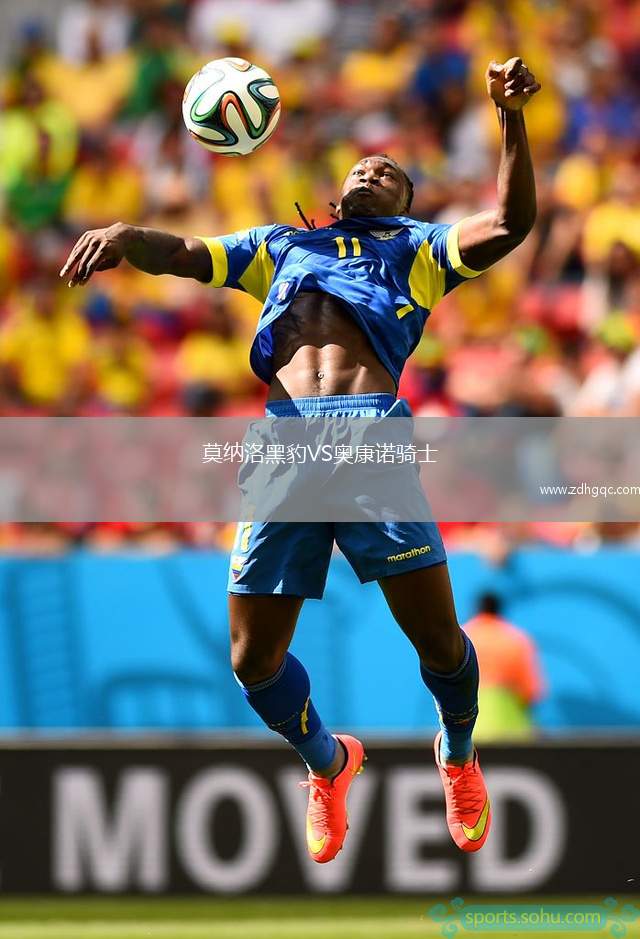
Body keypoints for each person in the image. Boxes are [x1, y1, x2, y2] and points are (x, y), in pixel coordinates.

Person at [60, 57, 541, 861]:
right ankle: (327, 760)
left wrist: (509, 117)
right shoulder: (278, 246)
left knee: (438, 641)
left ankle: (457, 752)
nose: (372, 170)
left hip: (370, 441)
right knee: (253, 660)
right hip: (285, 446)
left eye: (390, 172)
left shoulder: (419, 250)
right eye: (363, 166)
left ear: (405, 202)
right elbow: (185, 251)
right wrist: (126, 235)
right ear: (338, 191)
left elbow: (512, 223)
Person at [463, 592, 545, 742]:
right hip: (512, 731)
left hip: (467, 731)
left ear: (476, 610)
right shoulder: (516, 639)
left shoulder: (463, 639)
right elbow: (531, 692)